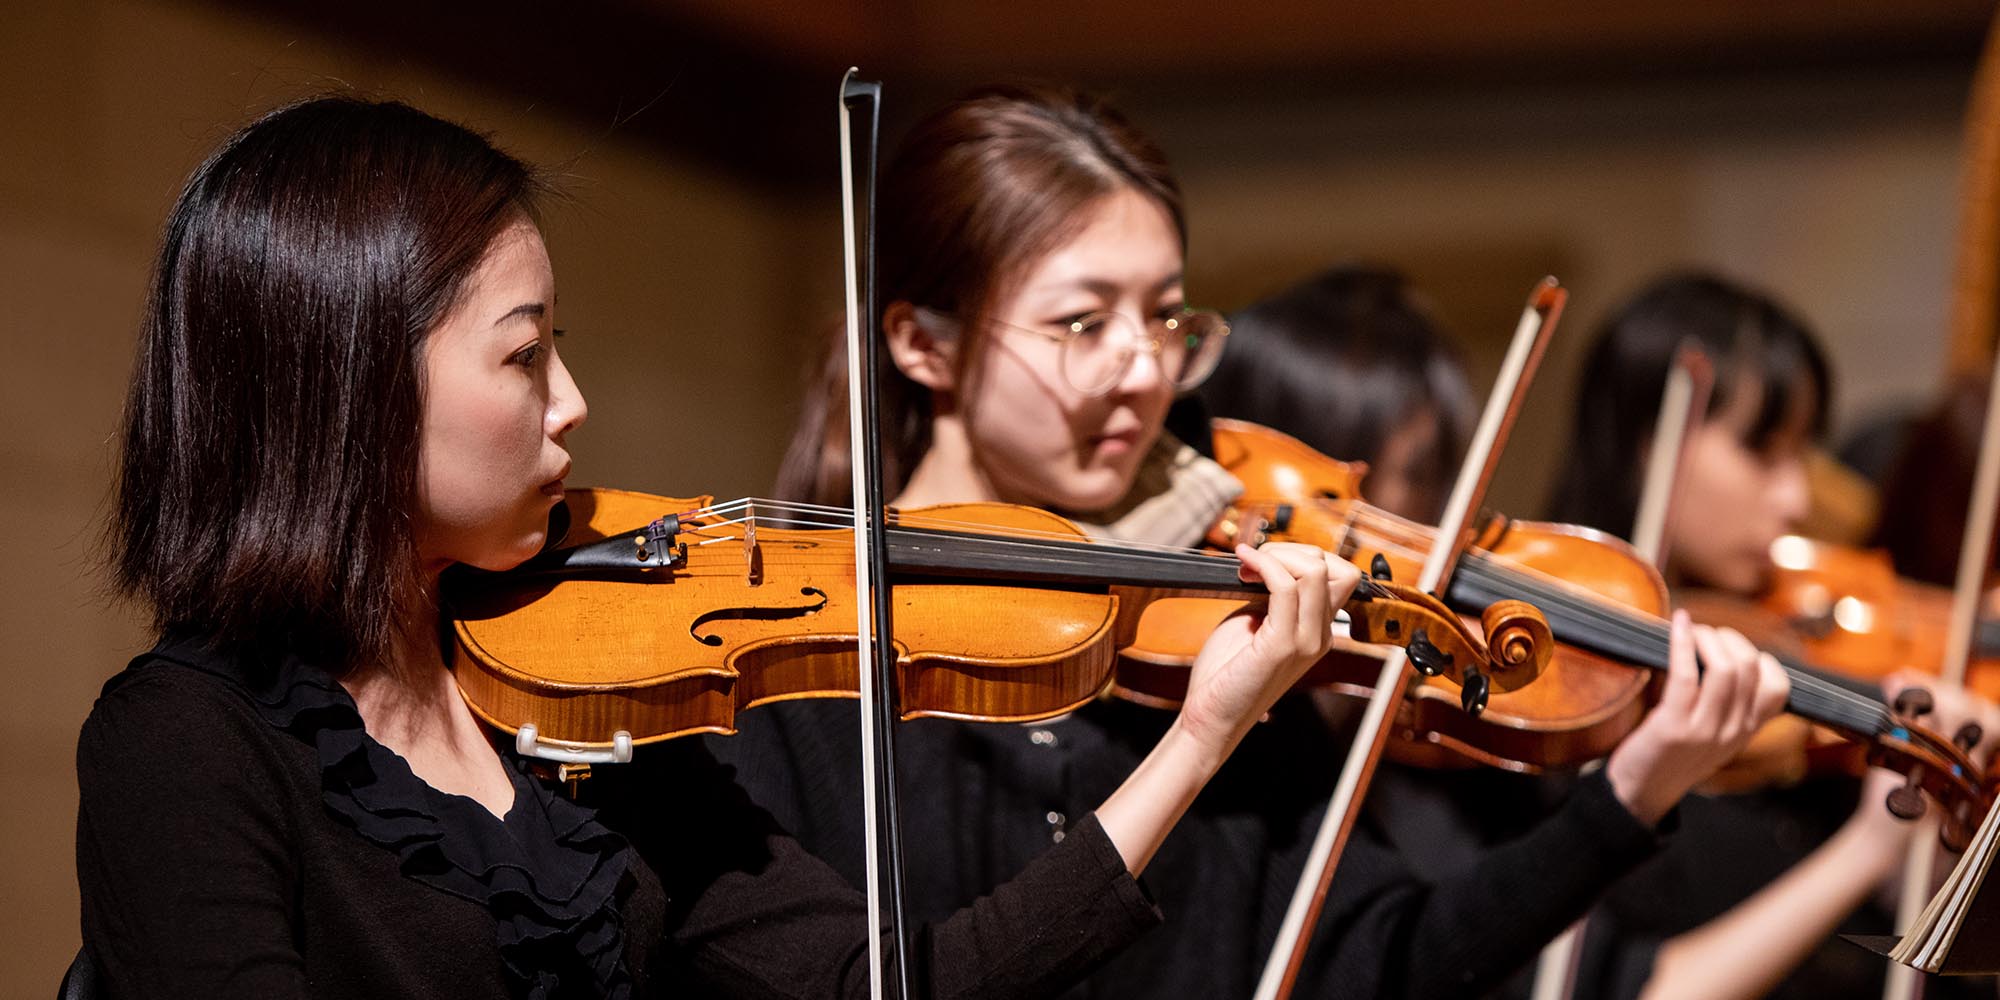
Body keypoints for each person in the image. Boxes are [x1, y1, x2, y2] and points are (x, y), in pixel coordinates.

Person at [76, 95, 1376, 1000]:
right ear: (344, 387)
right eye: (527, 355)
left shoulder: (580, 709)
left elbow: (881, 987)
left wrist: (1202, 735)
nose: (574, 403)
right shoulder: (185, 747)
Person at [724, 85, 1790, 1000]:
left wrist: (1625, 796)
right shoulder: (795, 662)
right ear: (920, 342)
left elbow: (1384, 964)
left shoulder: (1200, 642)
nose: (1143, 371)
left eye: (1165, 319)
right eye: (1082, 323)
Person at [1546, 272, 2000, 999]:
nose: (1794, 499)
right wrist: (1869, 850)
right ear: (1649, 442)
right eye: (1764, 453)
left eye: (1804, 454)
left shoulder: (1806, 704)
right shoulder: (1557, 711)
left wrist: (1942, 847)